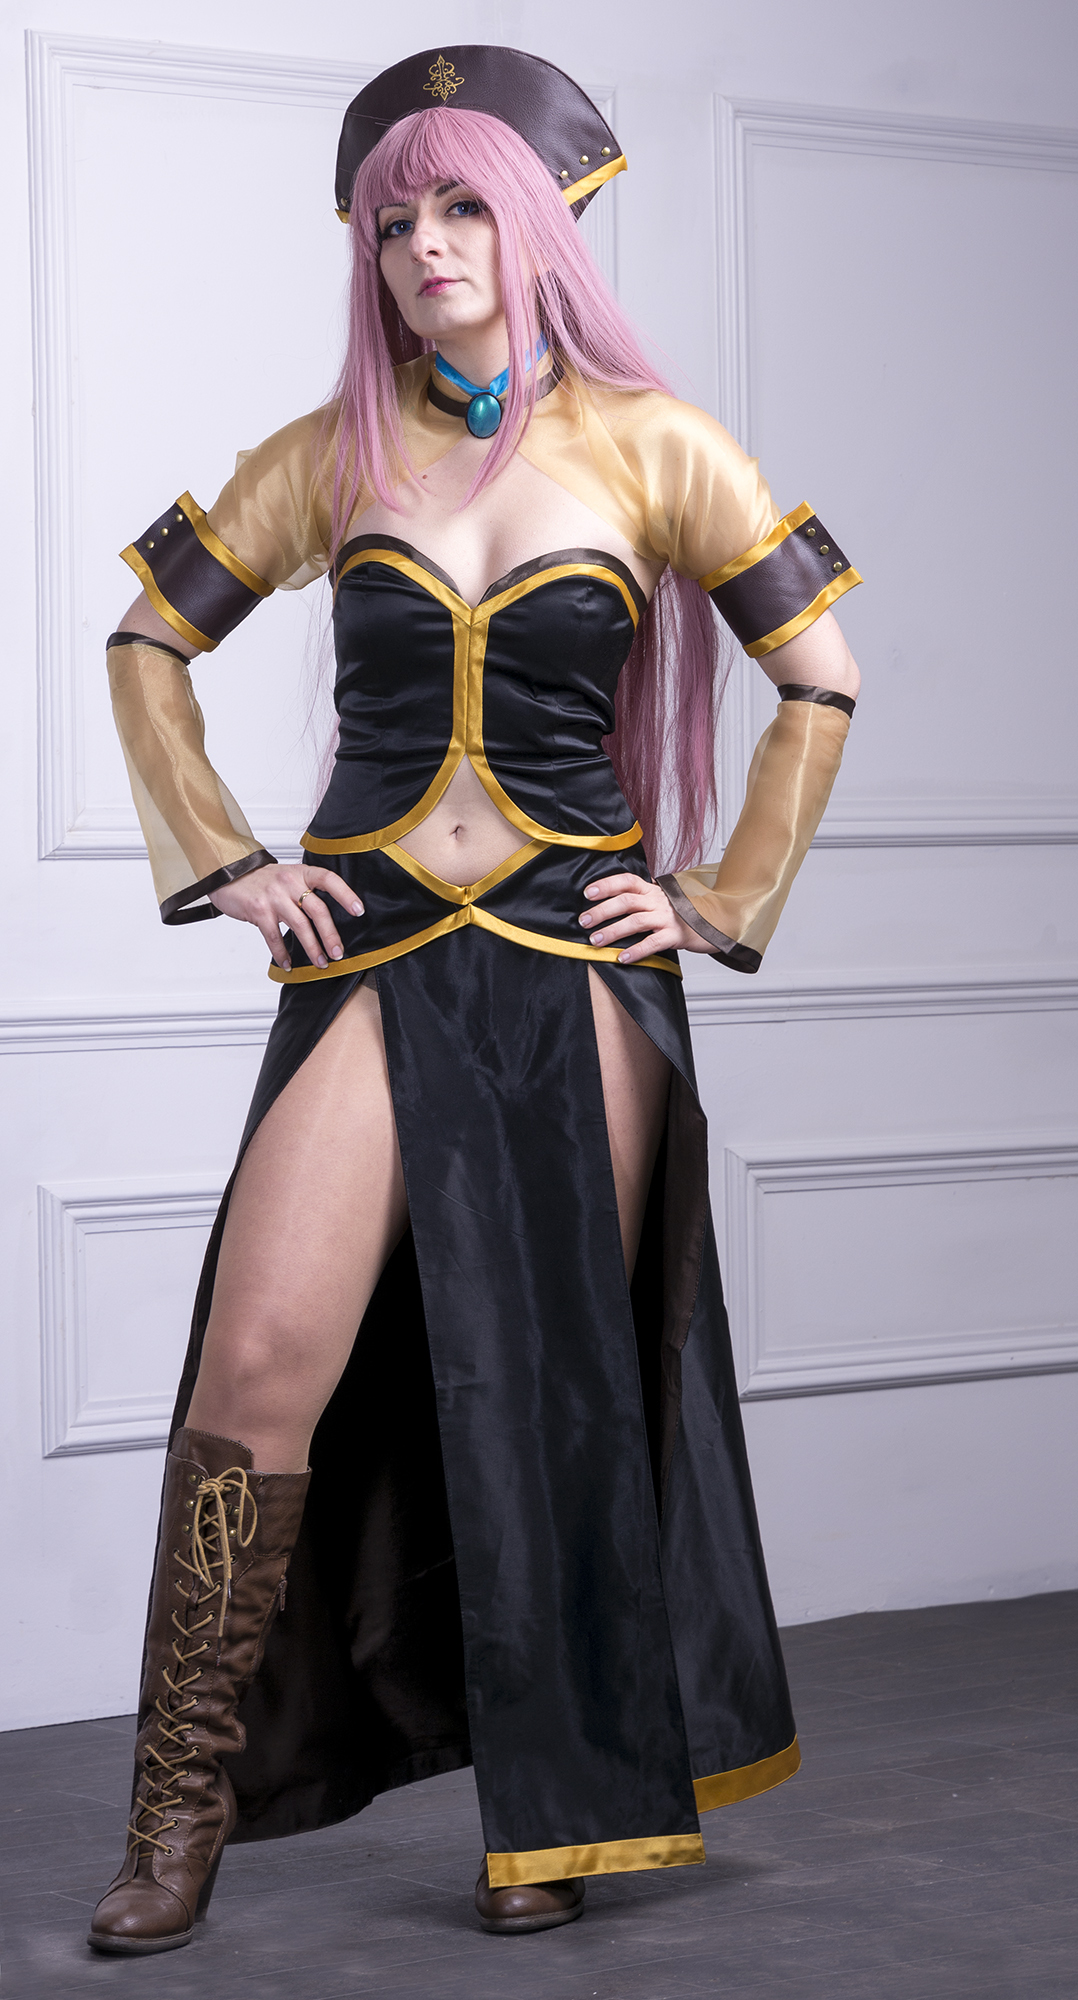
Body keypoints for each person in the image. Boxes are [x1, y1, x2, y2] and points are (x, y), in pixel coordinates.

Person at [88, 45, 861, 1957]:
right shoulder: (330, 453)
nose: (425, 245)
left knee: (559, 1385)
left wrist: (719, 896)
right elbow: (146, 640)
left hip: (571, 952)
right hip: (369, 946)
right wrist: (227, 859)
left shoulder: (661, 446)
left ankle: (569, 1810)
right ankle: (176, 1809)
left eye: (460, 209)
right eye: (393, 219)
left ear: (538, 224)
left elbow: (819, 675)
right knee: (256, 1369)